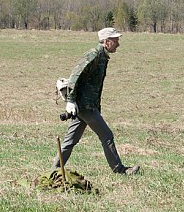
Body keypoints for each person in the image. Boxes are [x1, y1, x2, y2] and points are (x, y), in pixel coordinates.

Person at [52, 27, 140, 175]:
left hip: (86, 106)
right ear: (106, 42)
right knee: (107, 136)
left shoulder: (102, 56)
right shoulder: (93, 55)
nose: (118, 44)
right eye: (115, 40)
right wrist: (70, 101)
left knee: (69, 141)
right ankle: (119, 170)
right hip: (85, 106)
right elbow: (75, 76)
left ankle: (53, 171)